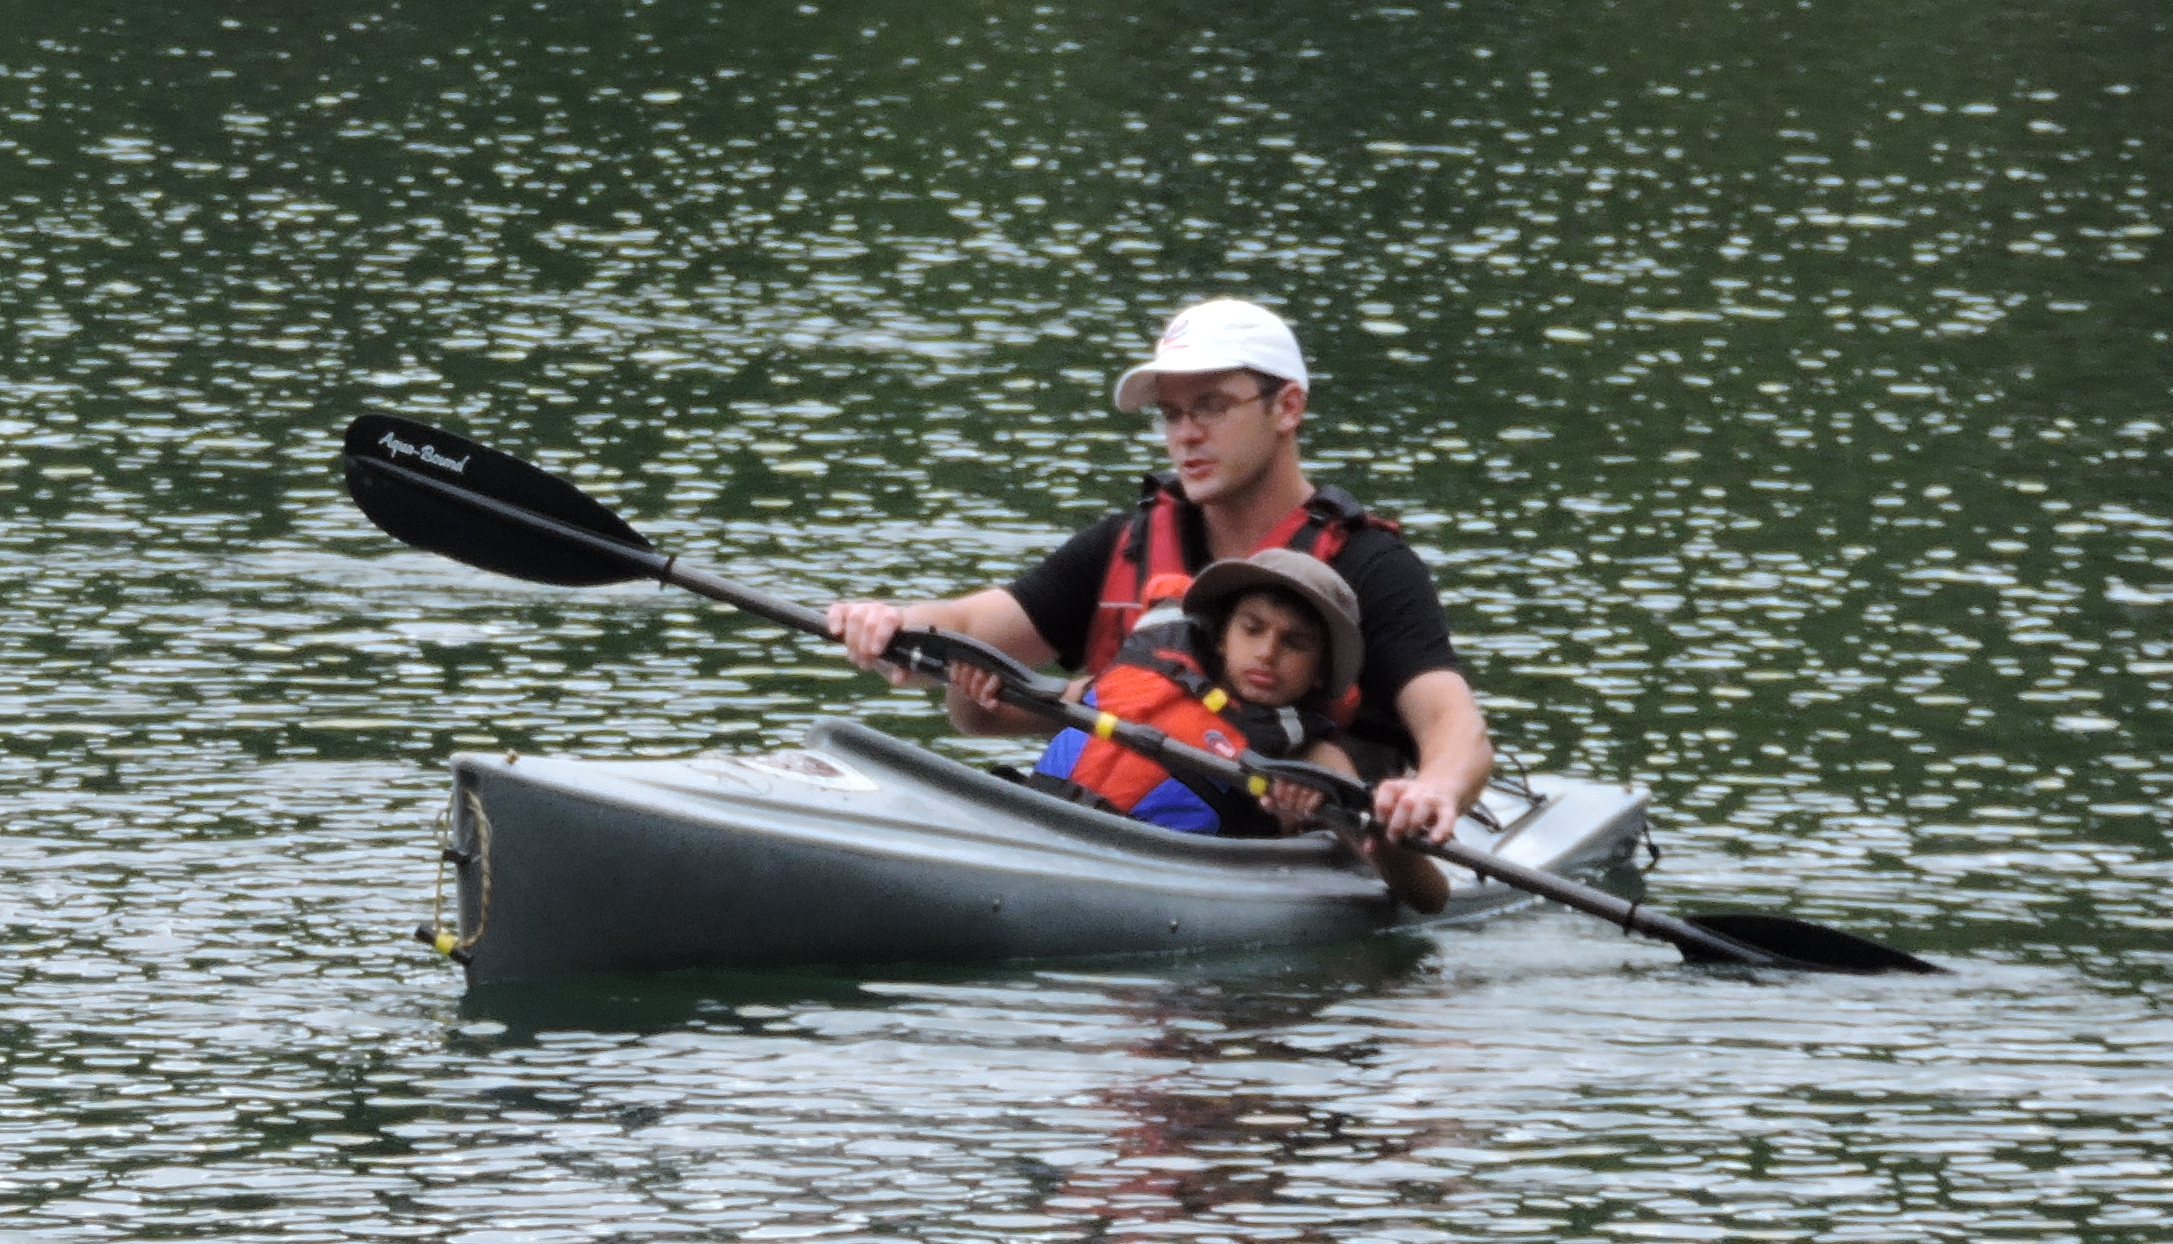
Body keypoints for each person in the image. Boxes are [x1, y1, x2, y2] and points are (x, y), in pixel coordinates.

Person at [827, 297, 1493, 848]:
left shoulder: (1368, 567)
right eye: (1172, 413)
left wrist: (1432, 789)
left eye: (1211, 405)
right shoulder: (1128, 542)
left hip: (1279, 850)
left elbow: (1452, 723)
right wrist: (892, 621)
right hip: (1094, 826)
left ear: (1286, 408)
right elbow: (973, 627)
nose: (1185, 434)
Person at [1011, 548, 1448, 912]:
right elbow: (982, 714)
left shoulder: (1315, 760)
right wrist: (981, 686)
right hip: (1030, 828)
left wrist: (1320, 818)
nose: (1267, 652)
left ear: (1321, 672)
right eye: (1252, 628)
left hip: (1151, 883)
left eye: (1295, 643)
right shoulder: (1138, 677)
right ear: (1222, 637)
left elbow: (1429, 897)